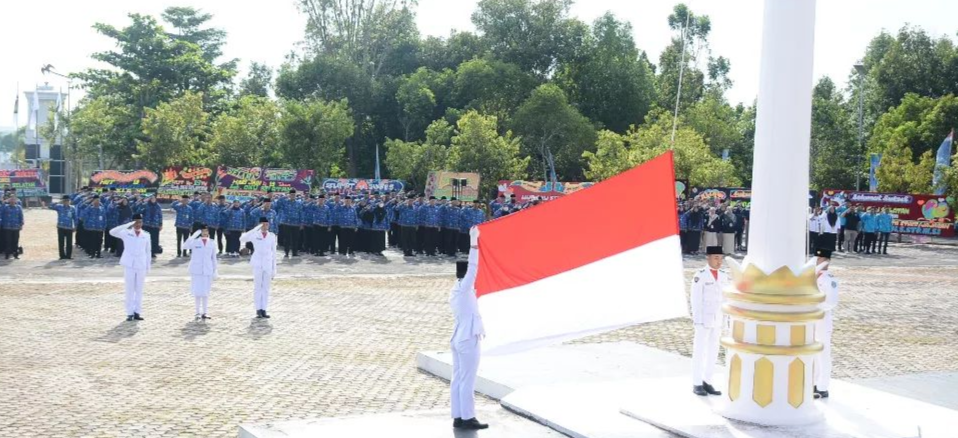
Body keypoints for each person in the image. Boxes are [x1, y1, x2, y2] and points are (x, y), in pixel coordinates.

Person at [450, 226, 488, 430]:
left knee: (457, 378)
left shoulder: (455, 290)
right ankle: (468, 417)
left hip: (458, 337)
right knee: (467, 379)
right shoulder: (465, 289)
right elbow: (474, 267)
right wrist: (474, 242)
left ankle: (458, 415)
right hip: (467, 338)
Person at [690, 245, 729, 396]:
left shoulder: (724, 275)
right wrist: (697, 320)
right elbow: (696, 299)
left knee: (713, 351)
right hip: (703, 319)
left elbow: (725, 299)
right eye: (716, 258)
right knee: (700, 351)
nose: (719, 261)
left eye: (721, 258)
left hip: (717, 319)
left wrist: (726, 319)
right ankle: (697, 383)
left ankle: (707, 381)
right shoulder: (700, 275)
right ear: (708, 258)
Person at [110, 213, 152, 321]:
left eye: (140, 222)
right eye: (136, 222)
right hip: (129, 264)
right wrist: (127, 225)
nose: (138, 224)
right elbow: (112, 232)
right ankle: (129, 312)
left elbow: (148, 251)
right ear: (132, 223)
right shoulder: (126, 233)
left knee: (139, 289)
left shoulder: (146, 235)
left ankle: (137, 311)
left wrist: (148, 266)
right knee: (129, 289)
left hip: (141, 264)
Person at [813, 248, 839, 399]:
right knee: (813, 351)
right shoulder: (813, 277)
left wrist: (815, 306)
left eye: (820, 259)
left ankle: (822, 386)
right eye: (816, 259)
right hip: (812, 318)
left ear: (827, 261)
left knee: (823, 351)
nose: (817, 261)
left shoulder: (830, 279)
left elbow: (831, 302)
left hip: (823, 318)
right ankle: (814, 383)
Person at [240, 217, 278, 319]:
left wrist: (274, 269)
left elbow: (274, 252)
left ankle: (264, 309)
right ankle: (258, 309)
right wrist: (255, 229)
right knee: (258, 287)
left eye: (267, 224)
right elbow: (242, 238)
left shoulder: (272, 236)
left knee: (266, 288)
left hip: (268, 263)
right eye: (263, 224)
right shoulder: (255, 235)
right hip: (257, 263)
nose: (265, 226)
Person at [185, 226, 218, 320]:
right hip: (197, 270)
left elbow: (213, 258)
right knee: (197, 292)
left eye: (206, 231)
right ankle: (197, 312)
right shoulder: (195, 242)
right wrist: (193, 235)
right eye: (202, 231)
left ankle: (205, 312)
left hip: (207, 270)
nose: (204, 233)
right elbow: (185, 246)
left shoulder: (212, 242)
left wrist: (215, 270)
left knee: (205, 292)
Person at [49, 195, 78, 260]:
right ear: (63, 201)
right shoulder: (59, 207)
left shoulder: (72, 208)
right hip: (61, 227)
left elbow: (75, 218)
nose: (66, 202)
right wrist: (59, 202)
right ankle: (62, 256)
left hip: (69, 227)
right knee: (61, 242)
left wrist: (75, 226)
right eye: (65, 201)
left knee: (69, 243)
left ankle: (68, 256)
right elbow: (50, 206)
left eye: (68, 201)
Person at [1, 195, 24, 259]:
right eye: (11, 199)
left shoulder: (18, 207)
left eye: (14, 199)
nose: (12, 201)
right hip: (7, 226)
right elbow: (1, 213)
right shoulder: (6, 207)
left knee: (15, 241)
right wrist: (3, 202)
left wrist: (21, 224)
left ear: (16, 201)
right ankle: (7, 254)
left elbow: (21, 216)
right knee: (8, 241)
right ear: (9, 200)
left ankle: (15, 254)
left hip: (16, 227)